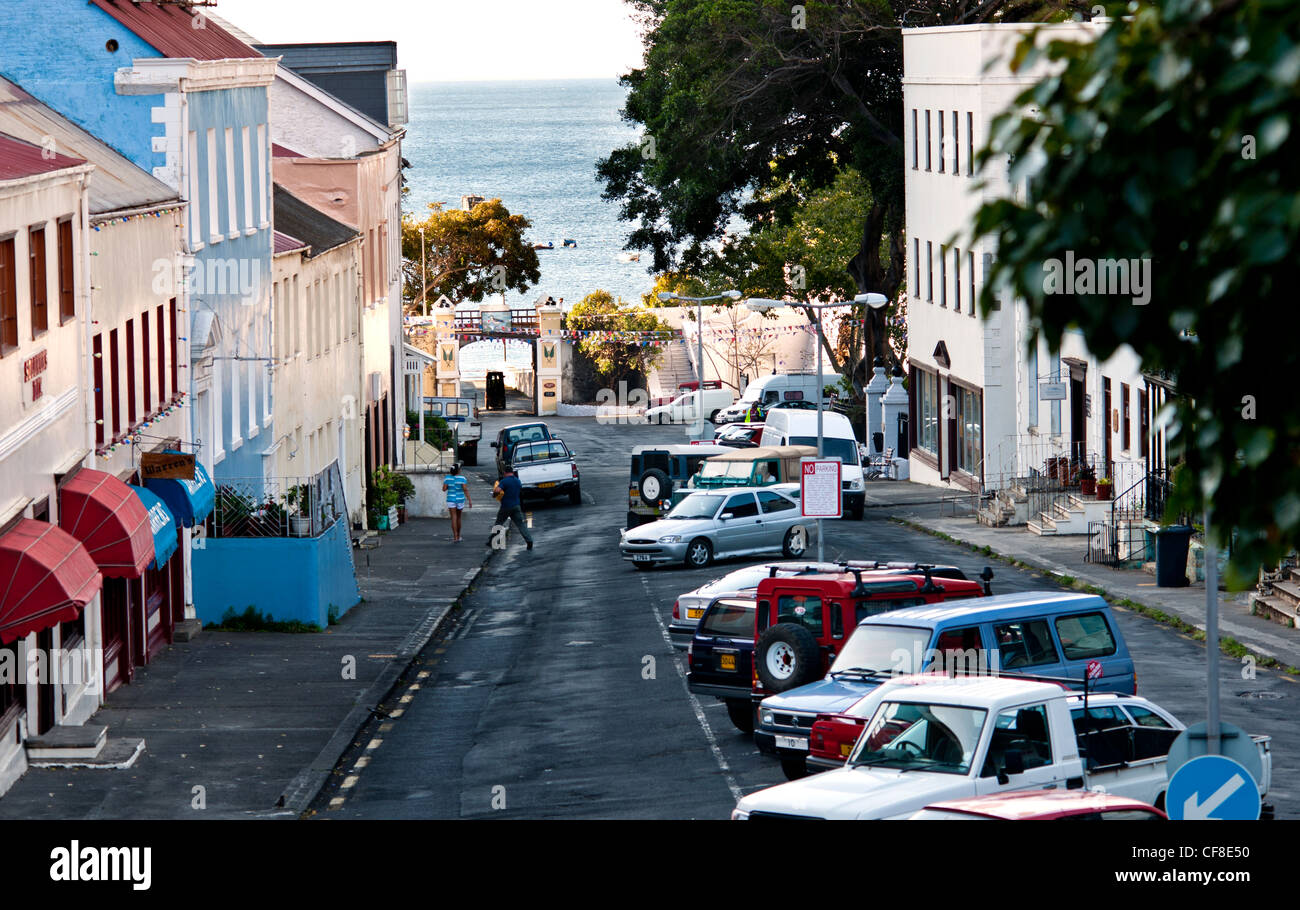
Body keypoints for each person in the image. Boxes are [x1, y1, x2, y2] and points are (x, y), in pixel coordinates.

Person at [487, 466, 534, 550]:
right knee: (520, 524)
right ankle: (529, 541)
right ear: (512, 472)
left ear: (505, 472)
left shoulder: (504, 481)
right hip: (516, 506)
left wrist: (494, 495)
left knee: (499, 523)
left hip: (506, 506)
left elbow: (497, 490)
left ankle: (492, 541)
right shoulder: (518, 481)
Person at [442, 463, 471, 542]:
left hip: (451, 499)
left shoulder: (447, 478)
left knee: (453, 518)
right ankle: (459, 535)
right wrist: (469, 500)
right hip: (460, 499)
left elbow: (444, 489)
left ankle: (455, 537)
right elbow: (465, 489)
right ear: (458, 470)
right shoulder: (462, 478)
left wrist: (449, 486)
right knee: (459, 517)